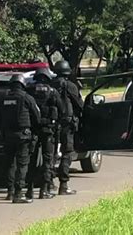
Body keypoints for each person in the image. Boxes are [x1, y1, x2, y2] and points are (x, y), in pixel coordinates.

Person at [0, 74, 40, 203]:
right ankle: (18, 194)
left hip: (7, 136)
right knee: (22, 164)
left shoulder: (4, 99)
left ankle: (10, 191)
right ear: (22, 85)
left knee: (10, 163)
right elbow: (36, 116)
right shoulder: (27, 98)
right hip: (23, 136)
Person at [26, 68, 65, 199]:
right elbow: (62, 109)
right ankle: (44, 190)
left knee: (31, 160)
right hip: (48, 130)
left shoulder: (30, 90)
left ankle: (29, 190)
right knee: (47, 160)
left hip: (33, 129)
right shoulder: (52, 92)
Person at [51, 60, 83, 195]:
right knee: (67, 152)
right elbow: (79, 104)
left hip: (50, 124)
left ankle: (48, 184)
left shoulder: (49, 85)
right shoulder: (70, 86)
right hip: (67, 124)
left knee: (50, 154)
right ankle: (63, 185)